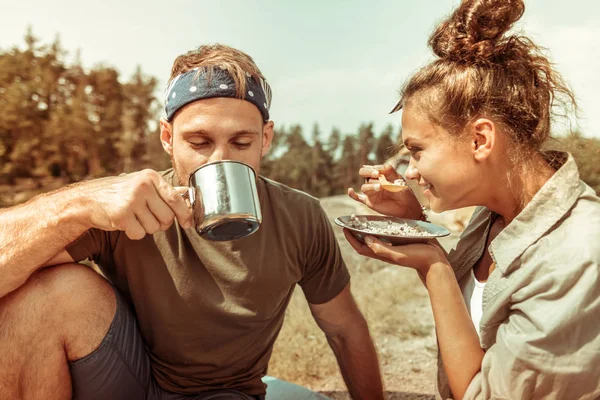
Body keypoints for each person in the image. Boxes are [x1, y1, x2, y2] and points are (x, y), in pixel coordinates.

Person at [0, 44, 384, 400]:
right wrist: (79, 206)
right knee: (49, 289)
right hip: (131, 379)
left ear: (266, 139)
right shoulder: (126, 204)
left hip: (227, 392)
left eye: (241, 143)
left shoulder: (299, 216)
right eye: (199, 143)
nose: (219, 160)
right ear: (168, 138)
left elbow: (343, 328)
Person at [344, 1, 600, 399]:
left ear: (480, 140)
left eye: (417, 150)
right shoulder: (493, 218)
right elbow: (467, 333)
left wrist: (435, 268)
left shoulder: (579, 254)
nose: (410, 171)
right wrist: (414, 224)